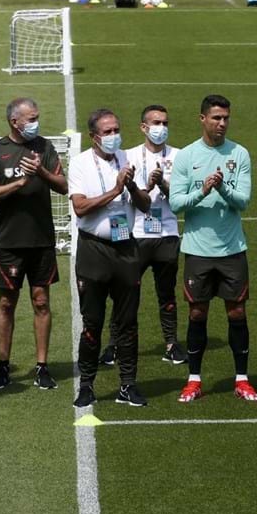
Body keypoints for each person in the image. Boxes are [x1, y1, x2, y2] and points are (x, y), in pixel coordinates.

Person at [169, 95, 257, 403]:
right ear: (202, 119)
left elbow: (244, 201)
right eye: (216, 118)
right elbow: (176, 203)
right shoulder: (186, 157)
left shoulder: (240, 153)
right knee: (197, 312)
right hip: (197, 250)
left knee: (237, 311)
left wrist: (222, 187)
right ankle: (194, 379)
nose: (222, 124)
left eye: (226, 118)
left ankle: (242, 378)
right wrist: (203, 190)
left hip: (232, 249)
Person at [0, 97, 68, 392]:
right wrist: (18, 184)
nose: (35, 123)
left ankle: (42, 366)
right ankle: (3, 366)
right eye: (31, 118)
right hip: (10, 242)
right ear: (14, 122)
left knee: (41, 301)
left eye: (37, 117)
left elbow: (64, 185)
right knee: (7, 303)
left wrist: (41, 172)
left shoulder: (44, 147)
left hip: (41, 239)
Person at [69, 109, 151, 408]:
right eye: (107, 132)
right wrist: (115, 189)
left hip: (126, 248)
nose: (114, 136)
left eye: (117, 129)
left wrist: (130, 186)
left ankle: (127, 385)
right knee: (93, 322)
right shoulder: (79, 164)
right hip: (94, 250)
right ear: (94, 137)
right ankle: (87, 385)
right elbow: (80, 207)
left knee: (128, 322)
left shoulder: (128, 161)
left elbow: (145, 205)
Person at [99, 105, 185, 366]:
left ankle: (171, 343)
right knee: (124, 292)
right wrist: (142, 188)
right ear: (143, 127)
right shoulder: (126, 156)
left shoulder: (180, 157)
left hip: (167, 232)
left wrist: (164, 185)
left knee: (166, 292)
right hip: (132, 234)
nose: (162, 128)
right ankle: (115, 343)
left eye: (165, 123)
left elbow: (181, 201)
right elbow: (121, 197)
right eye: (156, 123)